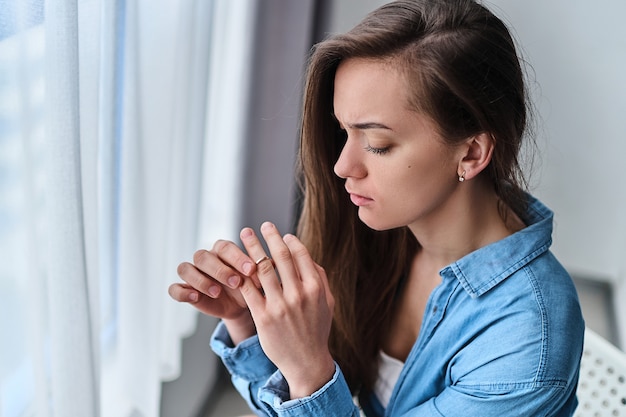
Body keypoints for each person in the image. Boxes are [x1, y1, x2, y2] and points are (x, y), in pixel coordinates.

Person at [169, 0, 585, 415]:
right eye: (343, 131)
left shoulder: (528, 339)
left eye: (378, 145)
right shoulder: (384, 233)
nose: (342, 166)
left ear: (472, 152)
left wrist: (309, 370)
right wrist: (249, 325)